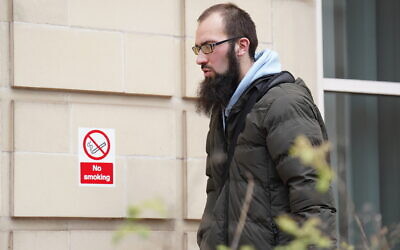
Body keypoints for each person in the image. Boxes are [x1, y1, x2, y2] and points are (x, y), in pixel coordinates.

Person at [192, 3, 337, 250]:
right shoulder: (225, 111)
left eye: (209, 46)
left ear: (242, 46)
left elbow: (314, 205)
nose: (199, 58)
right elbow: (216, 197)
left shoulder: (283, 103)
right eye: (197, 48)